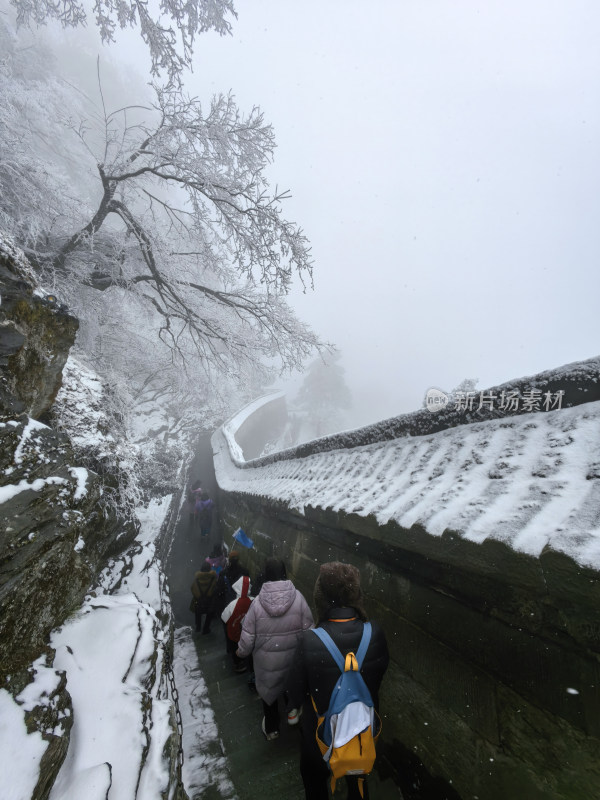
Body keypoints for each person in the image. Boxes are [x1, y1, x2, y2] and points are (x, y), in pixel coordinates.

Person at [286, 562, 389, 800]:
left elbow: (295, 691)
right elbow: (379, 674)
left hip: (321, 734)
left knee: (312, 776)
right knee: (359, 774)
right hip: (363, 728)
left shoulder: (309, 640)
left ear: (320, 597)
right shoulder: (375, 632)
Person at [236, 558, 314, 741]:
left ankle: (272, 729)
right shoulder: (299, 598)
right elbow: (309, 631)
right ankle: (292, 713)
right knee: (290, 686)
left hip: (266, 664)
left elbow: (247, 639)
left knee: (269, 696)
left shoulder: (256, 605)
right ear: (284, 573)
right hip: (292, 658)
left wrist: (241, 652)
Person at [221, 574, 253, 672]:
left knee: (236, 648)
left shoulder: (232, 605)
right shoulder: (254, 600)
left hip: (235, 634)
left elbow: (224, 617)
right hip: (250, 632)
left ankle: (238, 664)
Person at [190, 562, 217, 634]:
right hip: (209, 601)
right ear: (209, 569)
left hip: (199, 601)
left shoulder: (197, 579)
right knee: (209, 614)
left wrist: (199, 596)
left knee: (198, 613)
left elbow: (193, 589)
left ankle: (198, 627)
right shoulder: (213, 578)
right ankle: (206, 628)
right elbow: (215, 589)